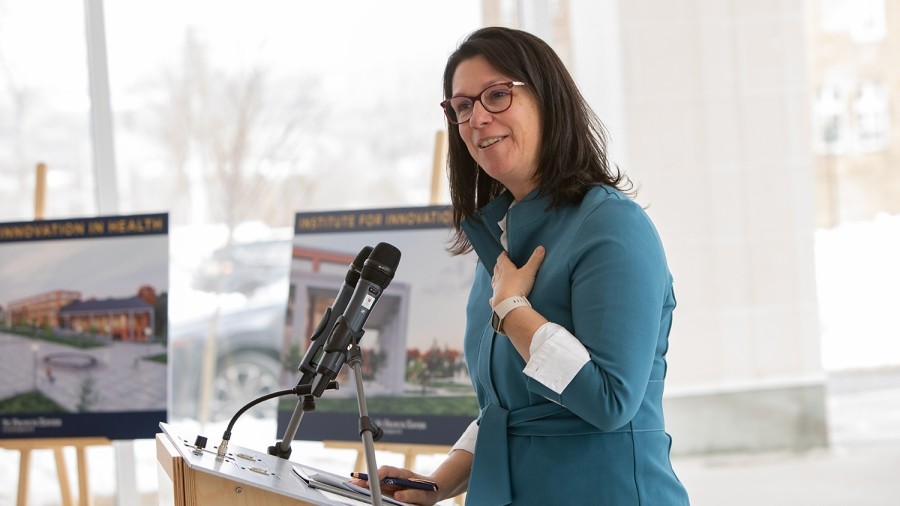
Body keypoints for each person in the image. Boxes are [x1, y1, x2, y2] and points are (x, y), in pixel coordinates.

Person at [353, 26, 690, 505]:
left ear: (547, 99)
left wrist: (514, 310)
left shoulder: (613, 225)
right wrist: (437, 484)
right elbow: (508, 412)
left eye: (496, 96)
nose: (477, 119)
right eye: (462, 107)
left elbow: (610, 400)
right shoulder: (500, 239)